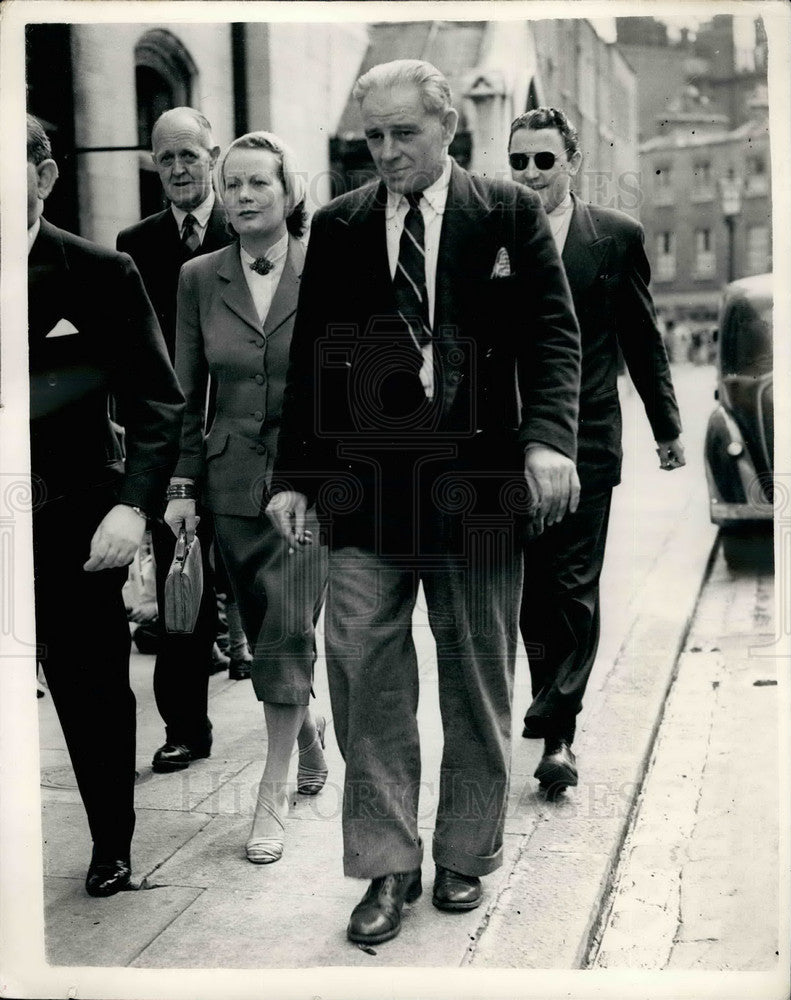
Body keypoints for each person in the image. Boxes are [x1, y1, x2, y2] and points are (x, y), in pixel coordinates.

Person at [267, 60, 581, 945]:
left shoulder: (508, 214)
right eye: (374, 136)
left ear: (448, 128)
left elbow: (555, 337)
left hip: (478, 495)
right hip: (366, 498)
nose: (388, 150)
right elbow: (314, 360)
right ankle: (385, 866)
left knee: (477, 677)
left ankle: (465, 853)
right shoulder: (339, 225)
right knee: (364, 676)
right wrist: (296, 476)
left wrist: (548, 440)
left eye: (405, 133)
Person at [27, 114, 184, 896]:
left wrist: (131, 507)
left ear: (45, 175)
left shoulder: (98, 273)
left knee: (89, 687)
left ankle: (110, 845)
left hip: (74, 522)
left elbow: (159, 402)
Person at [164, 131, 329, 866]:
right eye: (232, 185)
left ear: (289, 192)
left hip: (310, 493)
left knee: (290, 629)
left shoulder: (324, 269)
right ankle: (311, 737)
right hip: (231, 488)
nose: (244, 196)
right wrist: (181, 489)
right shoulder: (199, 278)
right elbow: (184, 394)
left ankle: (271, 793)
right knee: (266, 637)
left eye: (260, 182)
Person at [508, 108, 684, 788]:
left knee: (572, 586)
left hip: (587, 444)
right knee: (530, 596)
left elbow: (642, 338)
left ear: (571, 165)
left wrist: (666, 428)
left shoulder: (612, 237)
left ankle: (558, 731)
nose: (529, 175)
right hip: (511, 447)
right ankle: (550, 699)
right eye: (518, 161)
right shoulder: (493, 233)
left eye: (543, 161)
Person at [116, 108, 242, 778]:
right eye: (165, 158)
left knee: (272, 586)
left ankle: (297, 719)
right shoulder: (135, 244)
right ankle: (185, 727)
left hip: (248, 439)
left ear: (213, 154)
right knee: (180, 591)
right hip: (175, 450)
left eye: (189, 155)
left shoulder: (248, 222)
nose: (179, 169)